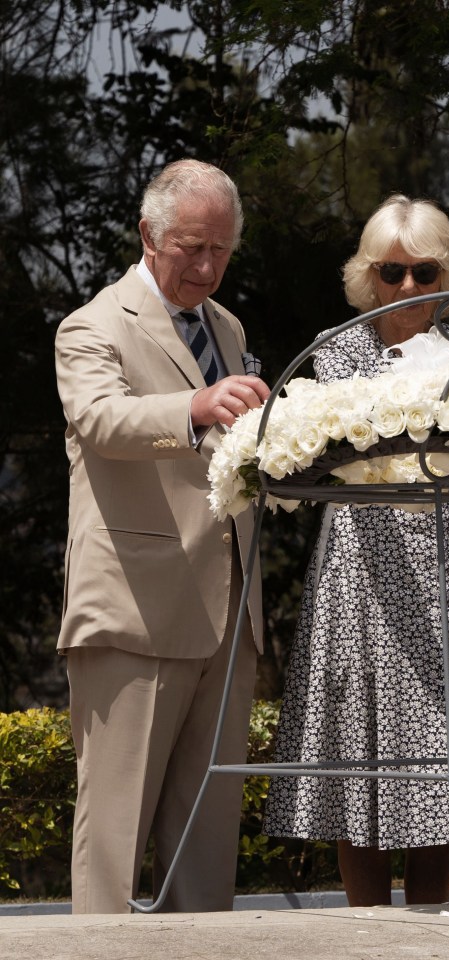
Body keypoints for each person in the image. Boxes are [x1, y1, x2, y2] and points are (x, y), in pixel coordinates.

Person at [263, 194, 449, 906]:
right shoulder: (336, 349)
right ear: (366, 276)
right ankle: (367, 935)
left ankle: (435, 926)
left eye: (423, 272)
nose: (407, 287)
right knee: (362, 755)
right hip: (364, 572)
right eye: (391, 272)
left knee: (445, 761)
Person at [55, 159, 271, 913]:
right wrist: (198, 404)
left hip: (229, 614)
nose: (208, 267)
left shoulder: (229, 327)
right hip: (134, 613)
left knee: (206, 845)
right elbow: (103, 421)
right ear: (148, 236)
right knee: (114, 843)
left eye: (221, 249)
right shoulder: (92, 325)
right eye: (191, 248)